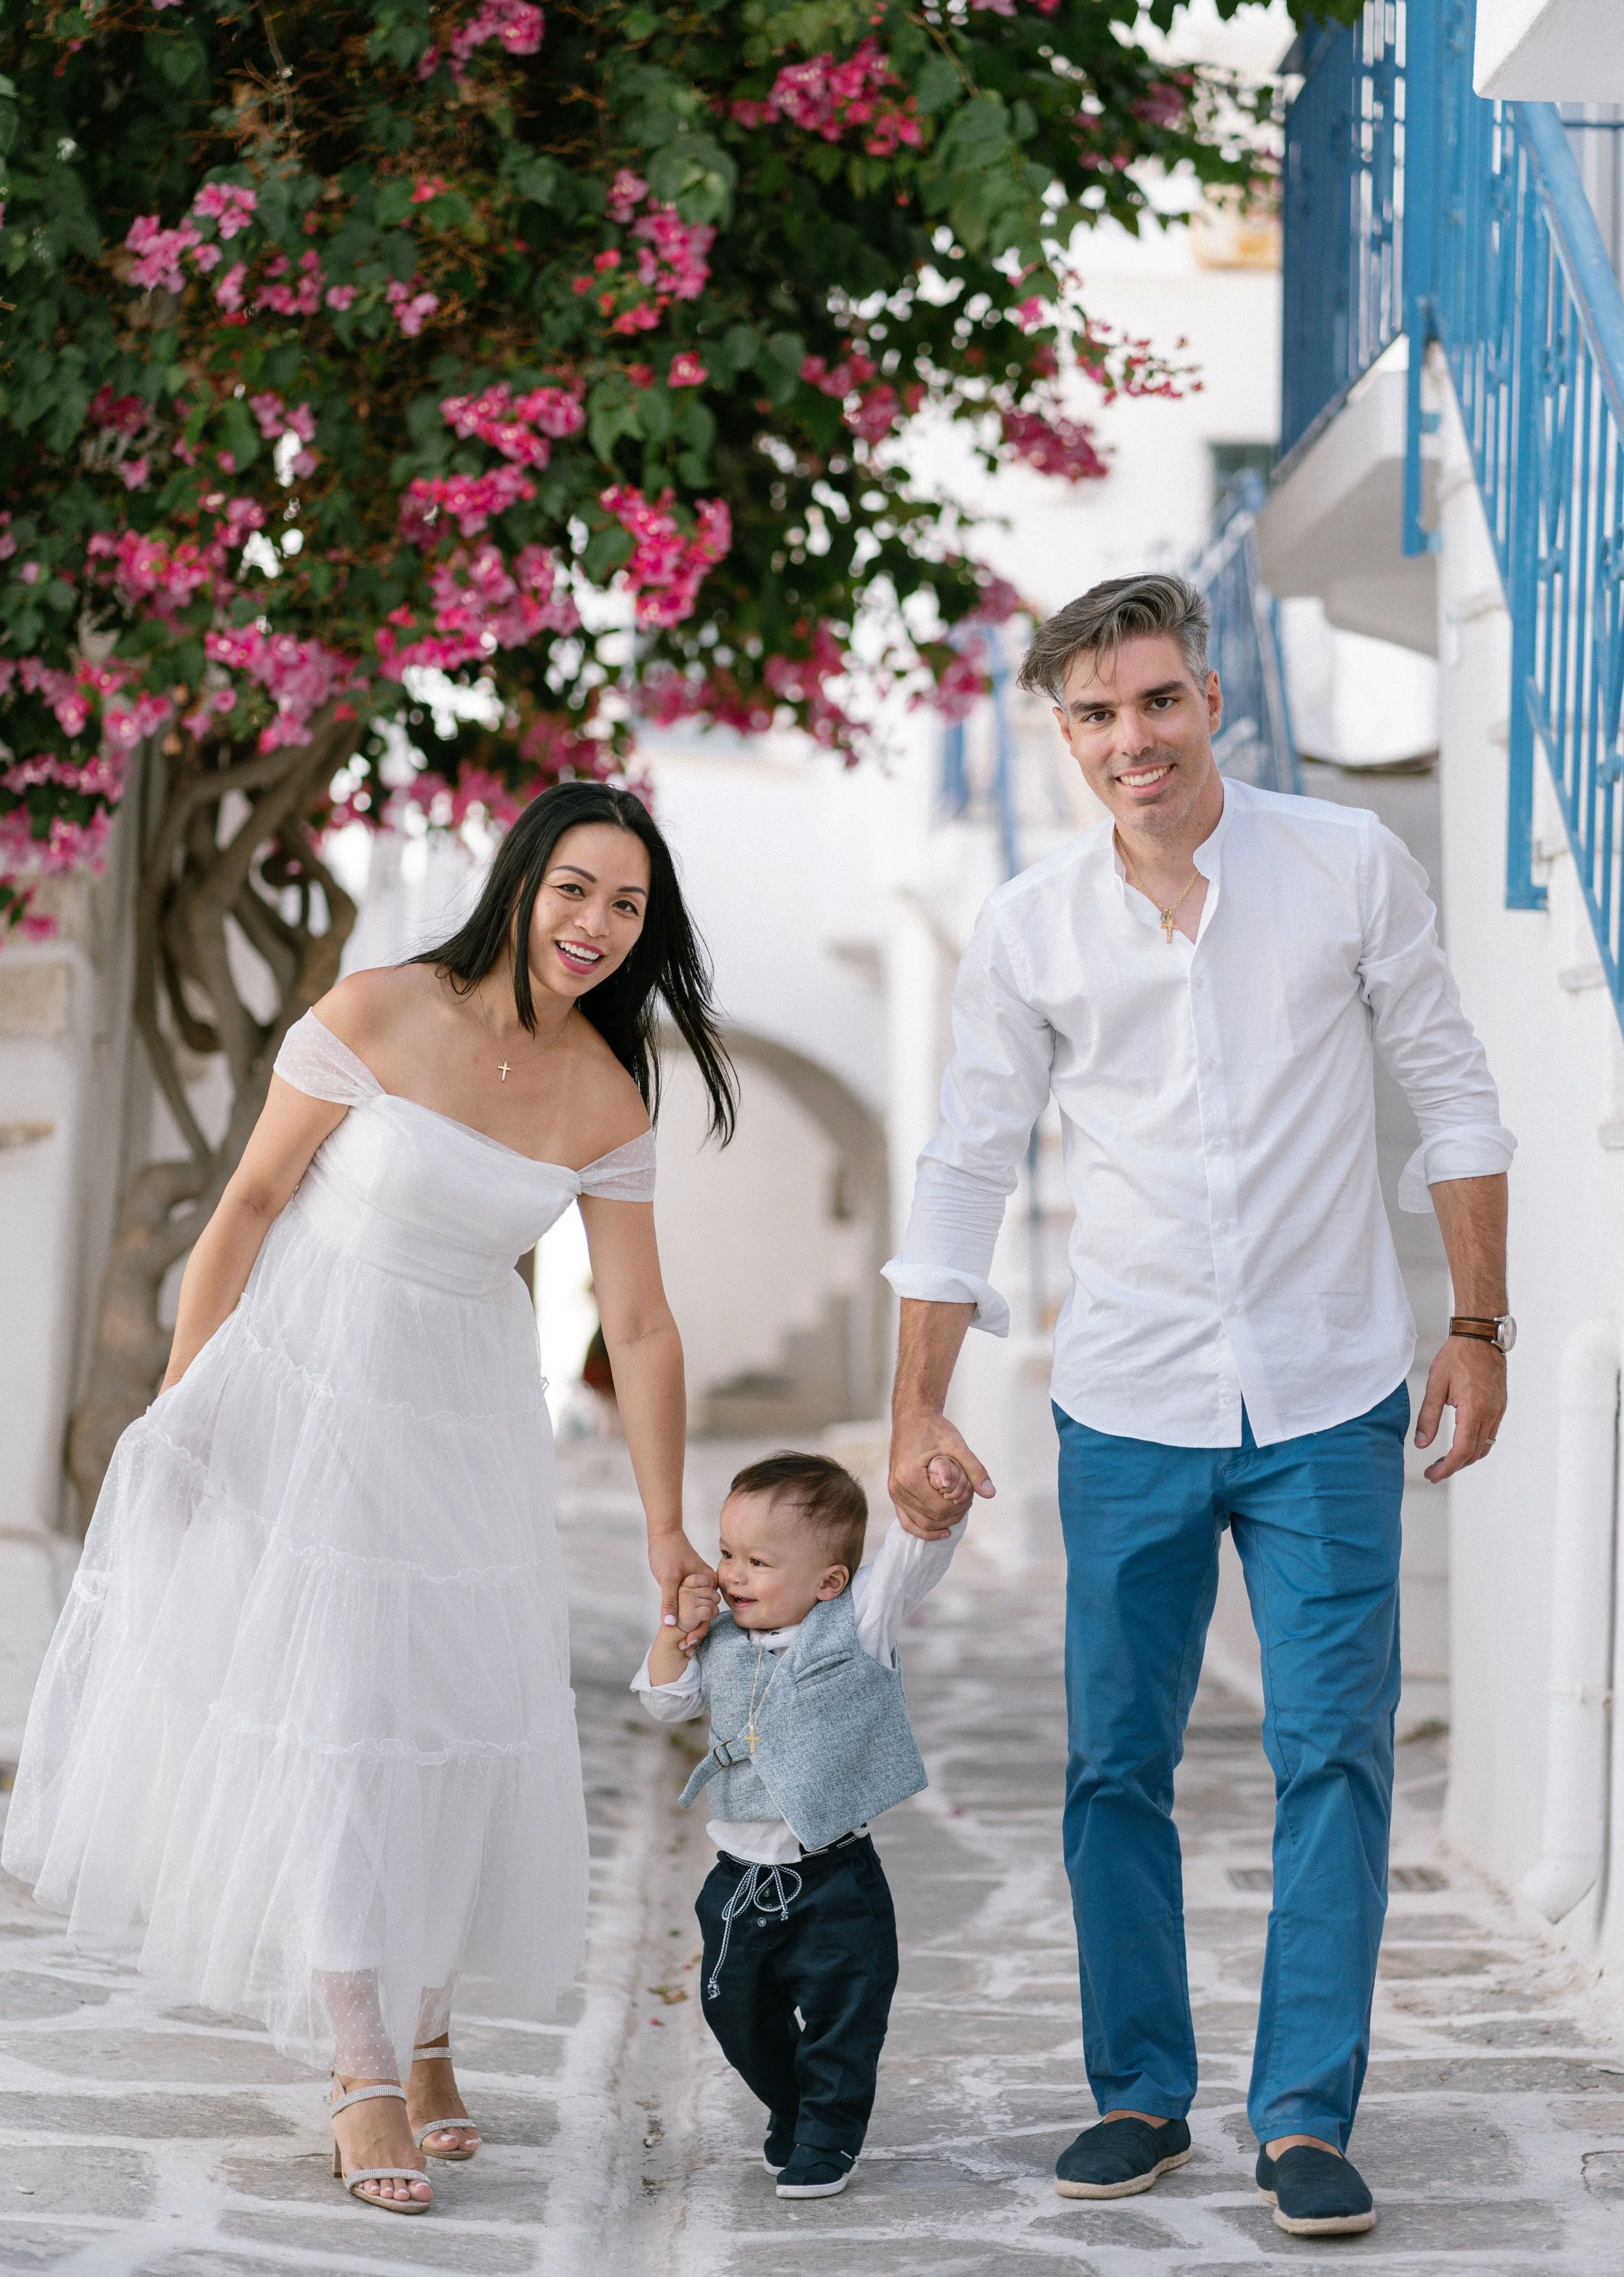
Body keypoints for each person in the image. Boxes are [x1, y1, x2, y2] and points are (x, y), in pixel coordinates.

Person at [883, 575, 1515, 2241]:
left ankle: (1304, 2113)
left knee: (1332, 1753)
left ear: (1212, 698)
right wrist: (914, 1407)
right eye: (1093, 715)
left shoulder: (1345, 867)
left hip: (1326, 1392)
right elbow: (963, 1162)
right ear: (1064, 731)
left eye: (1155, 702)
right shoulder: (1029, 925)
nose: (1129, 740)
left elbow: (1451, 1088)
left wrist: (1477, 1322)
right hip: (1132, 1394)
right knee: (1117, 1765)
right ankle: (1138, 2092)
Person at [3, 780, 733, 2219]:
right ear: (521, 882)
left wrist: (664, 1524)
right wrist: (184, 1405)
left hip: (463, 1418)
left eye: (628, 906)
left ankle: (434, 2023)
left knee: (448, 1720)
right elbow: (251, 1208)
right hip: (307, 1386)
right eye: (575, 888)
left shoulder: (606, 1088)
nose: (595, 924)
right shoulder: (381, 1011)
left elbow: (639, 1324)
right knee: (341, 1717)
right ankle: (361, 2067)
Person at [635, 1452, 965, 2199]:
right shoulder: (716, 1638)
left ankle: (826, 2133)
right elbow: (664, 1703)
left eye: (758, 1560)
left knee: (844, 2017)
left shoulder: (858, 1624)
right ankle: (794, 2103)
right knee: (732, 2010)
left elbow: (911, 1560)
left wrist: (936, 1500)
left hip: (834, 1879)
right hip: (738, 1882)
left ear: (828, 1583)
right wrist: (674, 1631)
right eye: (726, 1554)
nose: (734, 1575)